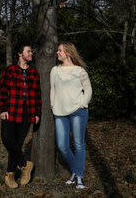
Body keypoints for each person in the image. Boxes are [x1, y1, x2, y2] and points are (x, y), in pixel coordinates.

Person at [0, 44, 41, 188]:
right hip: (11, 111)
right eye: (28, 51)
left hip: (27, 113)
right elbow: (3, 90)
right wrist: (3, 108)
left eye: (31, 51)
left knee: (17, 143)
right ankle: (25, 164)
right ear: (20, 54)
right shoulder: (10, 70)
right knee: (7, 139)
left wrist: (36, 113)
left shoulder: (34, 72)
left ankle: (10, 175)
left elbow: (37, 95)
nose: (31, 54)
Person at [50, 42, 92, 189]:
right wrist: (53, 105)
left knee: (79, 144)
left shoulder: (79, 71)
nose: (57, 52)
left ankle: (78, 177)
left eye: (60, 50)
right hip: (59, 113)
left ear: (68, 52)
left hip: (77, 112)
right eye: (57, 50)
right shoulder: (55, 70)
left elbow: (88, 89)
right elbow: (52, 89)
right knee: (62, 145)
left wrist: (83, 103)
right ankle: (76, 170)